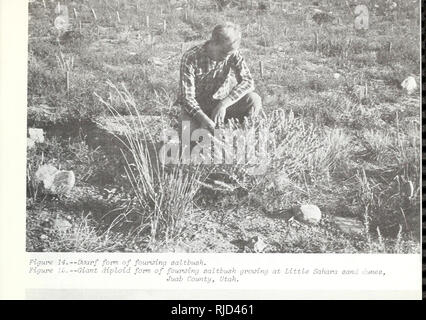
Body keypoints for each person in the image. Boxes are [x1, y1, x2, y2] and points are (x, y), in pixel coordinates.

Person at [176, 22, 262, 137]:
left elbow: (248, 81)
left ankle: (243, 138)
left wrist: (223, 104)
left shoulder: (232, 53)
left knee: (254, 99)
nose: (227, 57)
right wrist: (205, 121)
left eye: (230, 53)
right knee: (191, 135)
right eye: (223, 52)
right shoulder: (191, 57)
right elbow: (187, 98)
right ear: (213, 42)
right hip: (197, 111)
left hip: (221, 107)